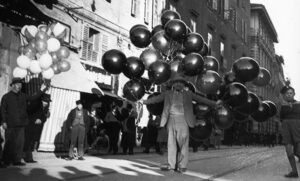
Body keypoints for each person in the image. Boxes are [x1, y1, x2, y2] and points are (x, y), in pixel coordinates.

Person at [141, 74, 221, 173]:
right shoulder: (167, 94)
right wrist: (144, 101)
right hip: (170, 120)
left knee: (183, 144)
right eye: (176, 82)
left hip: (183, 120)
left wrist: (214, 104)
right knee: (171, 143)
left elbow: (202, 100)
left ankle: (182, 165)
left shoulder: (189, 94)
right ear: (173, 84)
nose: (178, 84)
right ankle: (171, 164)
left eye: (181, 82)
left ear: (184, 84)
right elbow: (156, 99)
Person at [0, 78, 48, 166]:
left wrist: (41, 90)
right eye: (18, 84)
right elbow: (2, 110)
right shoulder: (6, 97)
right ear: (13, 85)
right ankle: (6, 160)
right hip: (10, 124)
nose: (20, 86)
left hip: (21, 124)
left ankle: (17, 160)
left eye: (21, 85)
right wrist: (3, 121)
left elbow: (33, 97)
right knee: (9, 143)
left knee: (19, 143)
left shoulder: (23, 95)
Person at [24, 93, 51, 163]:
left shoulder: (46, 108)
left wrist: (41, 120)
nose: (45, 103)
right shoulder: (35, 105)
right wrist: (35, 119)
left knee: (32, 142)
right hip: (29, 125)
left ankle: (28, 157)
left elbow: (45, 117)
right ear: (41, 100)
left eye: (47, 102)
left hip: (37, 128)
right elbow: (28, 113)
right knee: (28, 141)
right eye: (44, 101)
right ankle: (28, 158)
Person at [280, 85, 300, 178]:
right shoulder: (283, 106)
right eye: (287, 93)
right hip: (286, 129)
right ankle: (294, 172)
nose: (289, 95)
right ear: (284, 95)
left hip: (297, 129)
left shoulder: (299, 104)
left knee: (298, 150)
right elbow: (281, 118)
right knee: (289, 151)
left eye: (290, 93)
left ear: (294, 94)